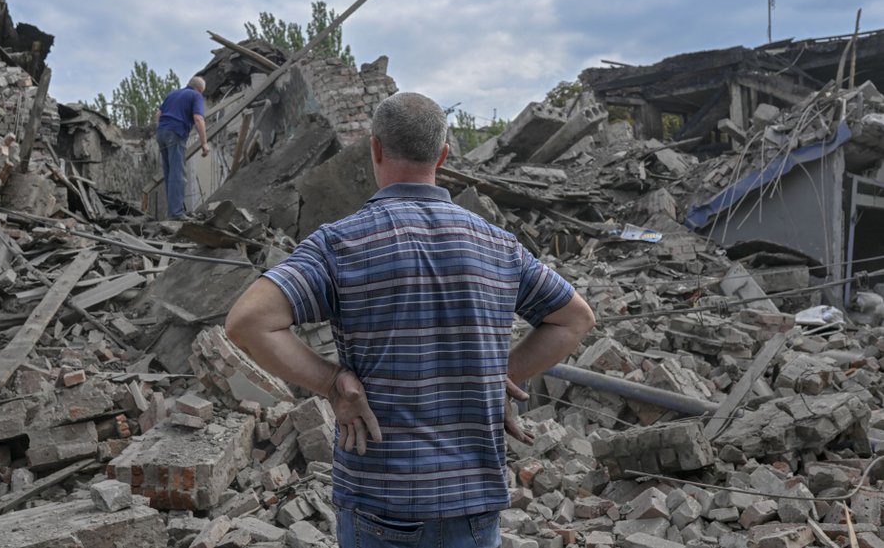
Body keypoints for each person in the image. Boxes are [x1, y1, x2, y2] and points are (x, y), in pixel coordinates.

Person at [225, 92, 595, 548]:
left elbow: (247, 321)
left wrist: (331, 382)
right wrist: (499, 375)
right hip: (474, 505)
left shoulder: (341, 244)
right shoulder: (500, 245)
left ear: (374, 149)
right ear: (442, 155)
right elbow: (575, 319)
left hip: (382, 502)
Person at [155, 76, 210, 220]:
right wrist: (204, 143)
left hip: (161, 133)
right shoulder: (196, 96)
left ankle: (174, 210)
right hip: (176, 133)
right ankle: (176, 213)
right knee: (178, 173)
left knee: (169, 174)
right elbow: (198, 118)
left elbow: (158, 114)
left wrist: (162, 129)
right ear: (200, 89)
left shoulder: (172, 94)